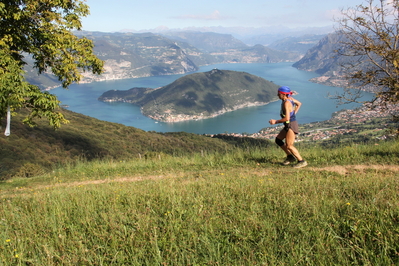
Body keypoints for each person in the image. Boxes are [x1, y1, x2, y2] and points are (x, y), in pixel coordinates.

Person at [269, 86, 307, 168]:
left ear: (283, 94)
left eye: (279, 93)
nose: (277, 95)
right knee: (278, 140)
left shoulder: (286, 103)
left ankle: (301, 161)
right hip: (288, 124)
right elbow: (299, 104)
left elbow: (287, 118)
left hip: (291, 125)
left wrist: (275, 121)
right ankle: (290, 157)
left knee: (289, 145)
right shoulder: (290, 99)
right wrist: (294, 113)